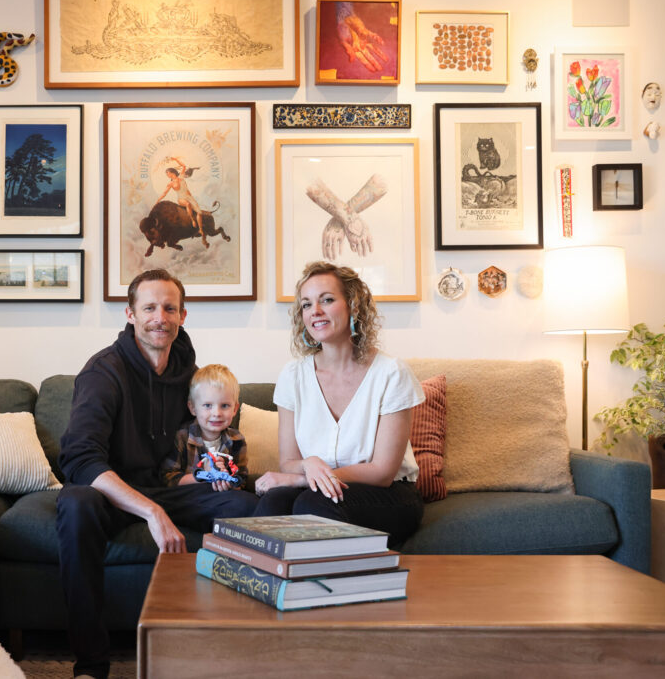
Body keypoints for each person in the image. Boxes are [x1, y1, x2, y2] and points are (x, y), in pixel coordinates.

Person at [55, 269, 257, 679]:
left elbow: (200, 433)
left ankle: (242, 649)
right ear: (130, 314)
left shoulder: (187, 369)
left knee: (247, 504)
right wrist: (151, 512)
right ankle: (90, 666)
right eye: (149, 307)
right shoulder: (103, 373)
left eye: (169, 308)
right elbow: (78, 459)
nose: (159, 317)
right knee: (76, 504)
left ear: (183, 315)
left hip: (167, 487)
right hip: (110, 493)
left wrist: (206, 472)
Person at [253, 261, 425, 548]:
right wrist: (309, 465)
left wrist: (303, 479)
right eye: (306, 305)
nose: (315, 312)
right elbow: (288, 461)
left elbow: (382, 472)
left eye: (327, 300)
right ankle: (257, 585)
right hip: (321, 491)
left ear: (353, 306)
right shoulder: (293, 376)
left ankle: (328, 590)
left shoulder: (391, 373)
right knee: (275, 502)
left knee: (313, 501)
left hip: (388, 495)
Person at [160, 364, 249, 491]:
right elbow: (168, 479)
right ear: (193, 408)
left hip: (224, 498)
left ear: (235, 409)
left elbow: (242, 480)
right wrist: (203, 475)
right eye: (207, 405)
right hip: (190, 497)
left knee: (246, 502)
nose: (216, 413)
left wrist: (229, 481)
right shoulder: (181, 437)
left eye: (224, 406)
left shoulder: (237, 440)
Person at [157, 156, 208, 238]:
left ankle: (200, 229)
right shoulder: (170, 183)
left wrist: (175, 159)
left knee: (199, 212)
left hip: (189, 197)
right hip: (181, 199)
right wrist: (158, 200)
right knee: (187, 204)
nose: (167, 175)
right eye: (166, 174)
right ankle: (192, 220)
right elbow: (164, 193)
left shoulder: (181, 177)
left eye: (167, 173)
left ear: (171, 172)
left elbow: (184, 166)